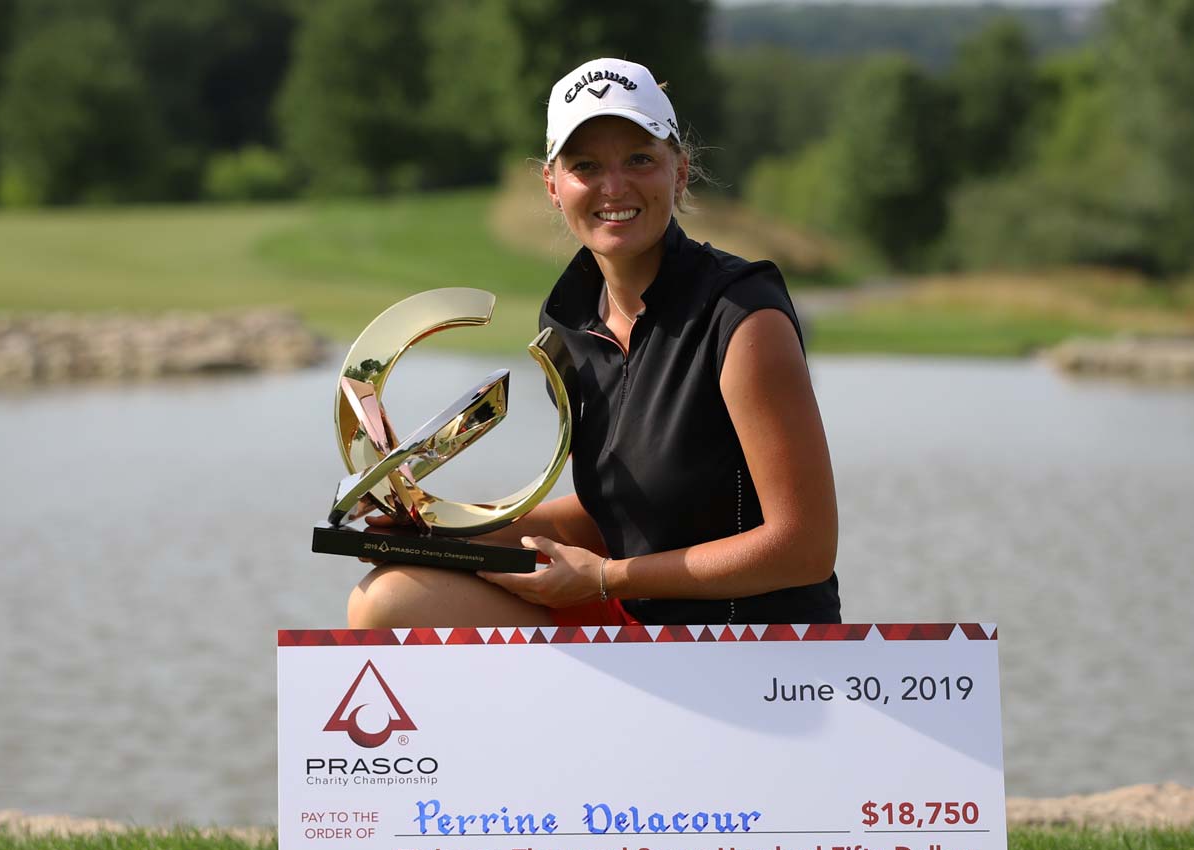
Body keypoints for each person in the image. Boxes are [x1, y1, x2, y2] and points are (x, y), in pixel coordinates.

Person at [348, 56, 839, 629]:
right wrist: (430, 531)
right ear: (553, 185)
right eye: (586, 165)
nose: (613, 187)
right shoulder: (570, 323)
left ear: (678, 172)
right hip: (638, 623)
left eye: (639, 160)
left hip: (755, 649)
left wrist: (607, 578)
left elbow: (804, 548)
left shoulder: (744, 317)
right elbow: (611, 512)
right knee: (390, 596)